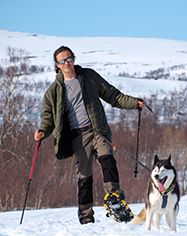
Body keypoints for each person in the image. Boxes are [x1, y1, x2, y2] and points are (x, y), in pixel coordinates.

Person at [34, 45, 144, 224]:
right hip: (77, 137)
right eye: (62, 61)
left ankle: (114, 198)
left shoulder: (89, 77)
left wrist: (134, 103)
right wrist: (42, 132)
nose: (67, 62)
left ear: (74, 59)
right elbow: (48, 119)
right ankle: (86, 217)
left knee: (107, 160)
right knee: (84, 178)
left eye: (69, 58)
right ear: (57, 65)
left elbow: (113, 95)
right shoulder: (53, 91)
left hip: (97, 130)